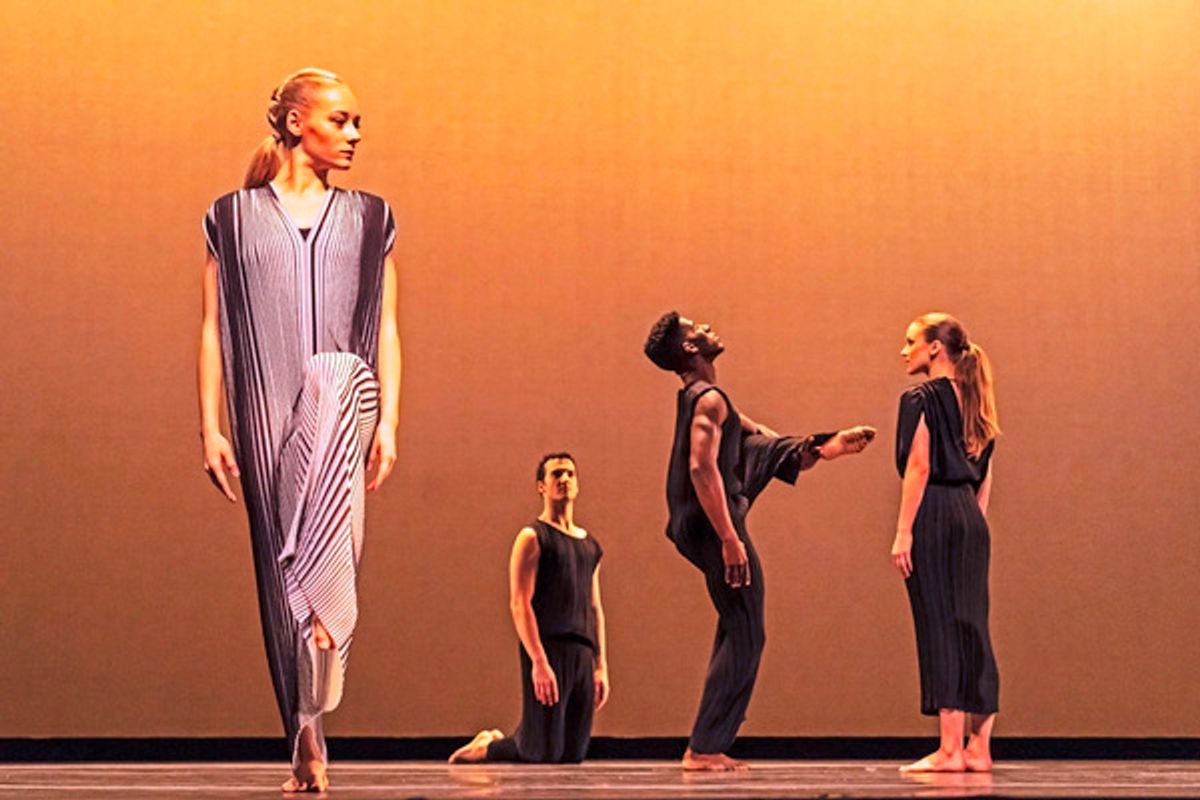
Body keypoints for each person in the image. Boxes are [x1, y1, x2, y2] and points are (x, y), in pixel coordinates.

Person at [197, 68, 401, 793]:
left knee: (333, 550)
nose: (353, 135)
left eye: (356, 122)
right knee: (280, 569)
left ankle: (316, 695)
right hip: (263, 406)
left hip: (344, 400)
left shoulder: (372, 217)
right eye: (340, 120)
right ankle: (305, 726)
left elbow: (387, 326)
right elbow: (215, 324)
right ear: (293, 124)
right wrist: (211, 427)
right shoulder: (231, 216)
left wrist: (391, 421)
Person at [643, 312, 875, 771]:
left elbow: (766, 441)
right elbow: (700, 468)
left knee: (737, 625)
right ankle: (705, 748)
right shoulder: (708, 401)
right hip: (712, 523)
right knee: (749, 629)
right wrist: (730, 538)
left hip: (704, 522)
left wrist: (825, 447)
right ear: (690, 349)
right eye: (695, 327)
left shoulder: (711, 400)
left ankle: (706, 743)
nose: (706, 325)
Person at [449, 453, 609, 764]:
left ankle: (499, 740)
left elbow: (594, 606)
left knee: (573, 754)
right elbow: (520, 602)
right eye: (556, 474)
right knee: (542, 753)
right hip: (549, 647)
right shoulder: (533, 537)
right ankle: (489, 745)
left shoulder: (590, 545)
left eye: (570, 474)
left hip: (582, 652)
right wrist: (538, 660)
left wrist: (601, 665)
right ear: (542, 486)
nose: (564, 479)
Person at [892, 313, 1000, 773]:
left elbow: (919, 466)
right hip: (971, 518)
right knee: (972, 624)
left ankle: (949, 750)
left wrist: (903, 531)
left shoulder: (919, 398)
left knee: (939, 623)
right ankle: (980, 747)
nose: (904, 349)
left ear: (935, 348)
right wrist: (972, 522)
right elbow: (986, 475)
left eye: (911, 340)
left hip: (935, 510)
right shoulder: (978, 399)